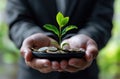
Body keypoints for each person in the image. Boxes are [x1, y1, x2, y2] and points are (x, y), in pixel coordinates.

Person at [6, 0, 114, 79]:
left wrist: (88, 38)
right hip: (34, 74)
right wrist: (31, 37)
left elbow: (102, 20)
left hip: (84, 74)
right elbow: (18, 20)